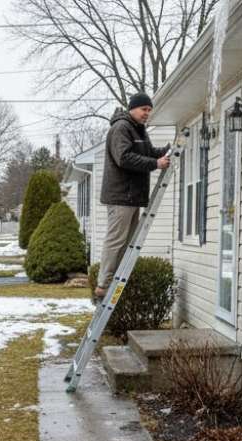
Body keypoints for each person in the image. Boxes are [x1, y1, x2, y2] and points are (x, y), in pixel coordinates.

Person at [95, 92, 171, 300]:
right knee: (115, 240)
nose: (147, 113)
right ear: (132, 108)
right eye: (144, 109)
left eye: (149, 110)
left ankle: (115, 279)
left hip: (132, 197)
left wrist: (166, 150)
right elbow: (124, 158)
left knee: (126, 241)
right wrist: (155, 164)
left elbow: (147, 151)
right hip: (121, 195)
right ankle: (103, 284)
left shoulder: (138, 129)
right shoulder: (121, 128)